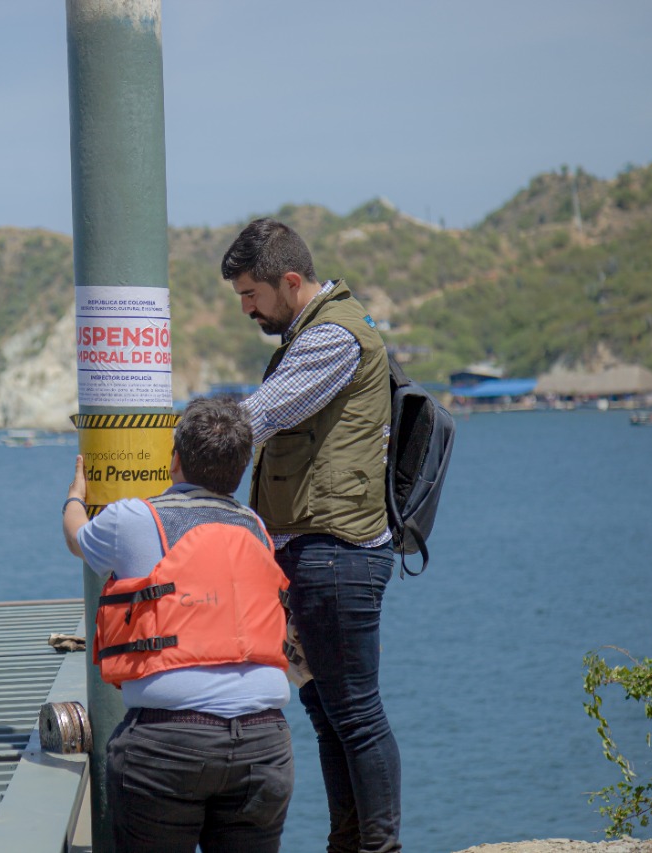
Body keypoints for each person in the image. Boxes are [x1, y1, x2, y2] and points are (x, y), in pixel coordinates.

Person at [221, 218, 402, 853]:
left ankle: (377, 848)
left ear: (289, 281)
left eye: (251, 294)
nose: (246, 309)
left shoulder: (332, 339)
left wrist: (180, 455)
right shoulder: (315, 331)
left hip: (337, 552)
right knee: (330, 716)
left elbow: (262, 415)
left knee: (355, 714)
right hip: (318, 550)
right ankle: (347, 843)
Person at [62, 397, 294, 853]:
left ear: (176, 460)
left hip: (166, 745)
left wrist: (75, 495)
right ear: (241, 469)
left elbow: (76, 538)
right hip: (265, 744)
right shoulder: (256, 529)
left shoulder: (134, 519)